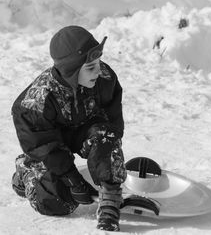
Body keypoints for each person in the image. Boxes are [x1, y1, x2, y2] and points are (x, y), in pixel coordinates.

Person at [11, 25, 127, 231]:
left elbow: (113, 125)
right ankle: (26, 172)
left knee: (106, 133)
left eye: (98, 63)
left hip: (84, 131)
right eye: (90, 67)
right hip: (51, 145)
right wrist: (71, 178)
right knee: (59, 202)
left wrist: (109, 177)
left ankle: (110, 199)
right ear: (72, 71)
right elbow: (43, 145)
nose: (99, 70)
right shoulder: (35, 102)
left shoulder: (105, 79)